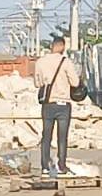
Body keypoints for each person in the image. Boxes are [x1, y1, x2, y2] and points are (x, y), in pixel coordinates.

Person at [34, 36, 83, 177]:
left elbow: (37, 84)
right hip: (63, 104)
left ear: (52, 45)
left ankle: (44, 167)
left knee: (46, 136)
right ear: (61, 46)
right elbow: (75, 82)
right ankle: (61, 166)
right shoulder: (65, 62)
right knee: (62, 137)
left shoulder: (40, 62)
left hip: (48, 104)